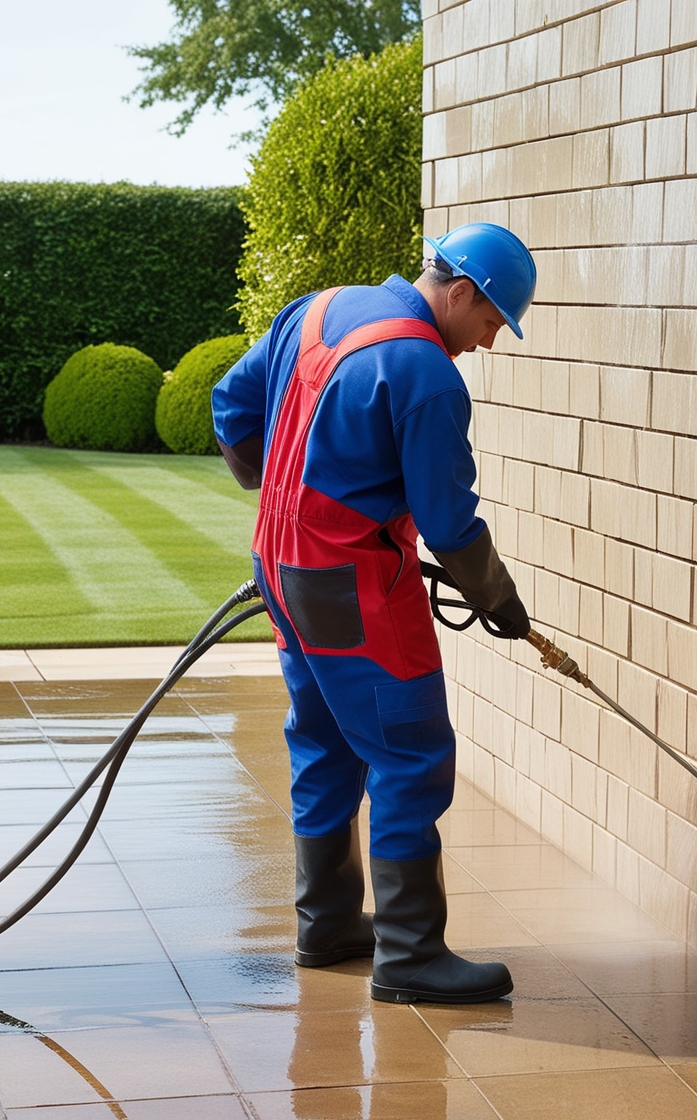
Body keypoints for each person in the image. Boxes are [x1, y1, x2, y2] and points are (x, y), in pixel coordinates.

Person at [211, 222, 536, 1004]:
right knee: (412, 753)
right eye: (491, 322)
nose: (488, 342)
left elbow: (232, 404)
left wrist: (279, 493)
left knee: (324, 740)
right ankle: (412, 955)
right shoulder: (425, 373)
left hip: (280, 572)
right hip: (353, 589)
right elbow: (449, 521)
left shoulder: (318, 310)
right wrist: (499, 600)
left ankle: (325, 925)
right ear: (461, 293)